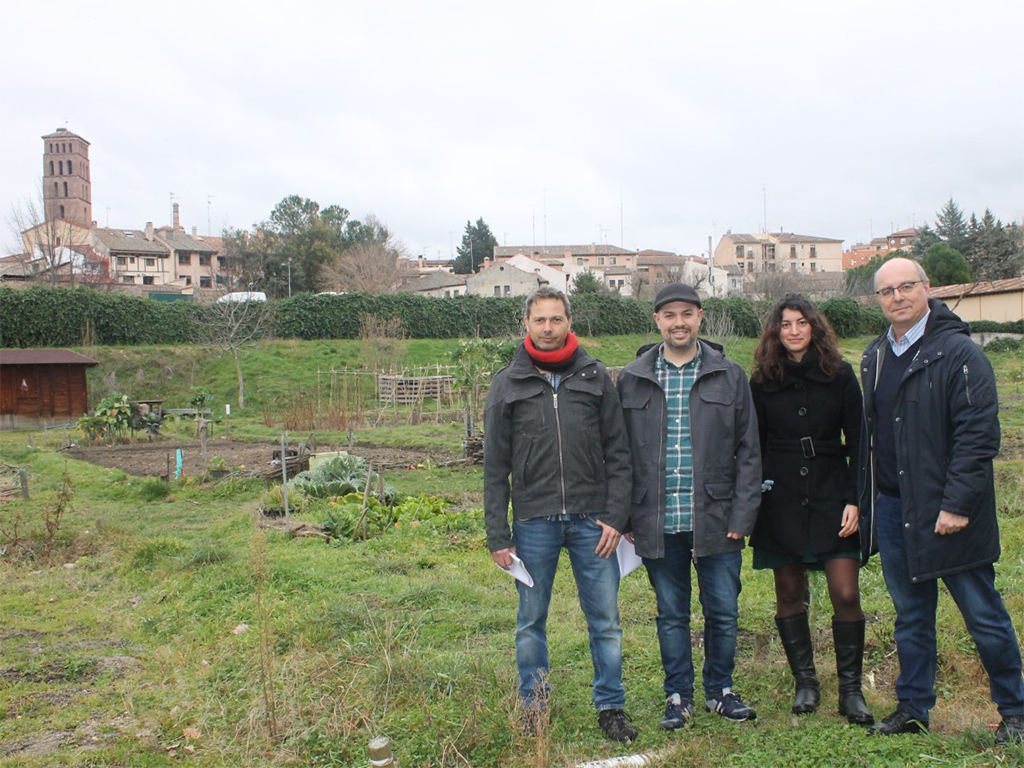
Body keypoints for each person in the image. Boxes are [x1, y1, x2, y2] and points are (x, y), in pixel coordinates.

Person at [858, 257, 1023, 743]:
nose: (897, 297)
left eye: (906, 286)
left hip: (948, 510)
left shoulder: (959, 354)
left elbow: (978, 436)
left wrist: (957, 505)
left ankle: (1016, 711)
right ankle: (913, 708)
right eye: (887, 291)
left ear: (927, 288)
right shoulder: (876, 357)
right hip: (895, 508)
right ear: (878, 300)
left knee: (982, 614)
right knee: (911, 615)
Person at [483, 286, 636, 743]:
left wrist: (617, 516)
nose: (547, 328)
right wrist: (498, 535)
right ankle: (535, 707)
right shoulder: (508, 382)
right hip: (533, 522)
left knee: (605, 620)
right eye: (539, 320)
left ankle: (610, 707)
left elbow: (620, 453)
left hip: (594, 522)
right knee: (531, 621)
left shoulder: (595, 376)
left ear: (570, 322)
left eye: (556, 319)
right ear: (526, 324)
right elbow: (495, 466)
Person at [617, 282, 761, 730]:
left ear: (700, 317)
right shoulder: (632, 378)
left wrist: (743, 514)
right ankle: (677, 696)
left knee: (723, 611)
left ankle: (721, 691)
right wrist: (624, 515)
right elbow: (618, 454)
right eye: (669, 315)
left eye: (687, 314)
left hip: (716, 517)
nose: (678, 323)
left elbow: (749, 451)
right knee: (671, 613)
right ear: (656, 321)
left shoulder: (729, 375)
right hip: (656, 518)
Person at [748, 294, 872, 724]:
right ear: (776, 331)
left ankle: (851, 691)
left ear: (814, 327)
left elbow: (859, 440)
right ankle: (806, 682)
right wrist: (757, 495)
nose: (794, 331)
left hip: (832, 491)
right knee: (788, 592)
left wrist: (855, 498)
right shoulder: (763, 380)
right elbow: (754, 443)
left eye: (802, 323)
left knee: (846, 592)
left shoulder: (839, 374)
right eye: (785, 324)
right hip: (780, 496)